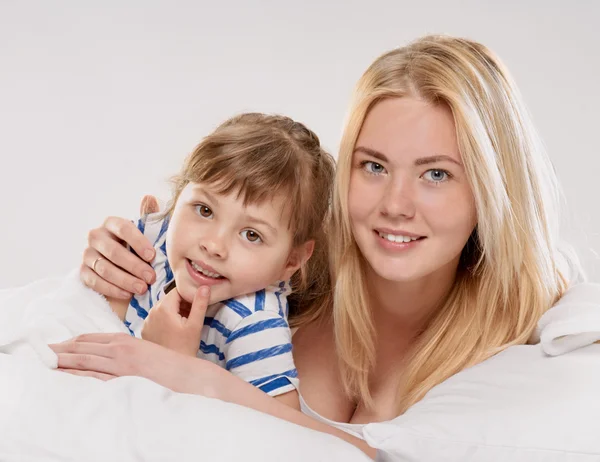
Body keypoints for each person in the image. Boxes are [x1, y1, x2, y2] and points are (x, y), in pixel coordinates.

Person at [51, 35, 583, 458]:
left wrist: (196, 380)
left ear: (494, 188)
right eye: (373, 166)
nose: (395, 205)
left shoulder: (524, 346)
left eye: (436, 174)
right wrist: (115, 256)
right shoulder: (282, 270)